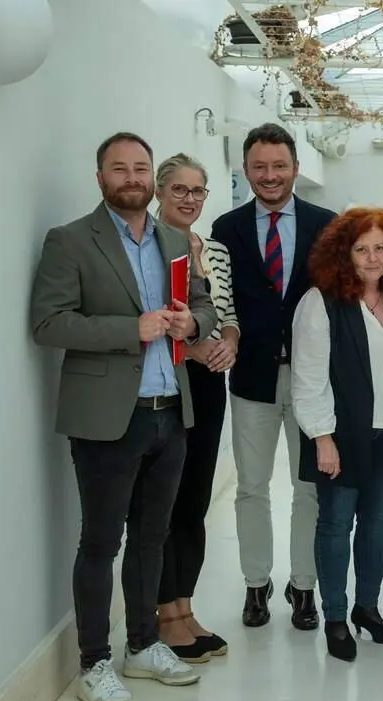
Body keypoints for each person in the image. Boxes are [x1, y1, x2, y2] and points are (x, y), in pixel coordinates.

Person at [30, 132, 216, 701]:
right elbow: (49, 324)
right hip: (109, 418)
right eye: (121, 169)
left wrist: (192, 324)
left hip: (170, 413)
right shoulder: (69, 241)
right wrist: (126, 329)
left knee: (152, 538)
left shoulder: (172, 238)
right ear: (100, 177)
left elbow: (206, 306)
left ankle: (142, 643)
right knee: (100, 543)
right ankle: (93, 662)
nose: (132, 177)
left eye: (140, 167)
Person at [211, 123, 337, 630]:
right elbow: (220, 300)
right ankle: (256, 583)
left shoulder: (326, 225)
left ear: (295, 169)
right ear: (245, 171)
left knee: (308, 487)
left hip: (312, 381)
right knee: (251, 487)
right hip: (252, 380)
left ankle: (303, 586)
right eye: (259, 167)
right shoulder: (227, 228)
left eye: (279, 165)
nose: (270, 175)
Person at [290, 207, 383, 661]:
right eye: (361, 249)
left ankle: (367, 608)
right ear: (344, 254)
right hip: (341, 438)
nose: (371, 257)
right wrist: (322, 437)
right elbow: (307, 377)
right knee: (335, 525)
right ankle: (336, 616)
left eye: (379, 248)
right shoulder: (320, 302)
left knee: (378, 523)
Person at [152, 154, 236, 663]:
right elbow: (158, 316)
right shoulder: (148, 246)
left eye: (198, 191)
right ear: (160, 193)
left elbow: (228, 313)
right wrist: (197, 345)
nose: (189, 199)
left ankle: (185, 606)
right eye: (179, 189)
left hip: (208, 385)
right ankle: (163, 614)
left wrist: (229, 340)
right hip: (168, 381)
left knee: (195, 500)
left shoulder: (218, 251)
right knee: (164, 499)